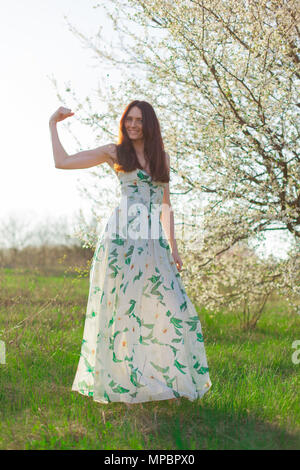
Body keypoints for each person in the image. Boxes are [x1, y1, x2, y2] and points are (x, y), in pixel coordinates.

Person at [49, 100, 212, 405]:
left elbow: (166, 206)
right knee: (121, 310)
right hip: (121, 239)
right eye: (128, 120)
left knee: (171, 307)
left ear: (148, 123)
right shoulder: (115, 152)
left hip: (153, 242)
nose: (132, 125)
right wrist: (52, 125)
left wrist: (174, 249)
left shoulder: (161, 157)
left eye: (138, 120)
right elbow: (63, 161)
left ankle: (167, 380)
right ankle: (123, 384)